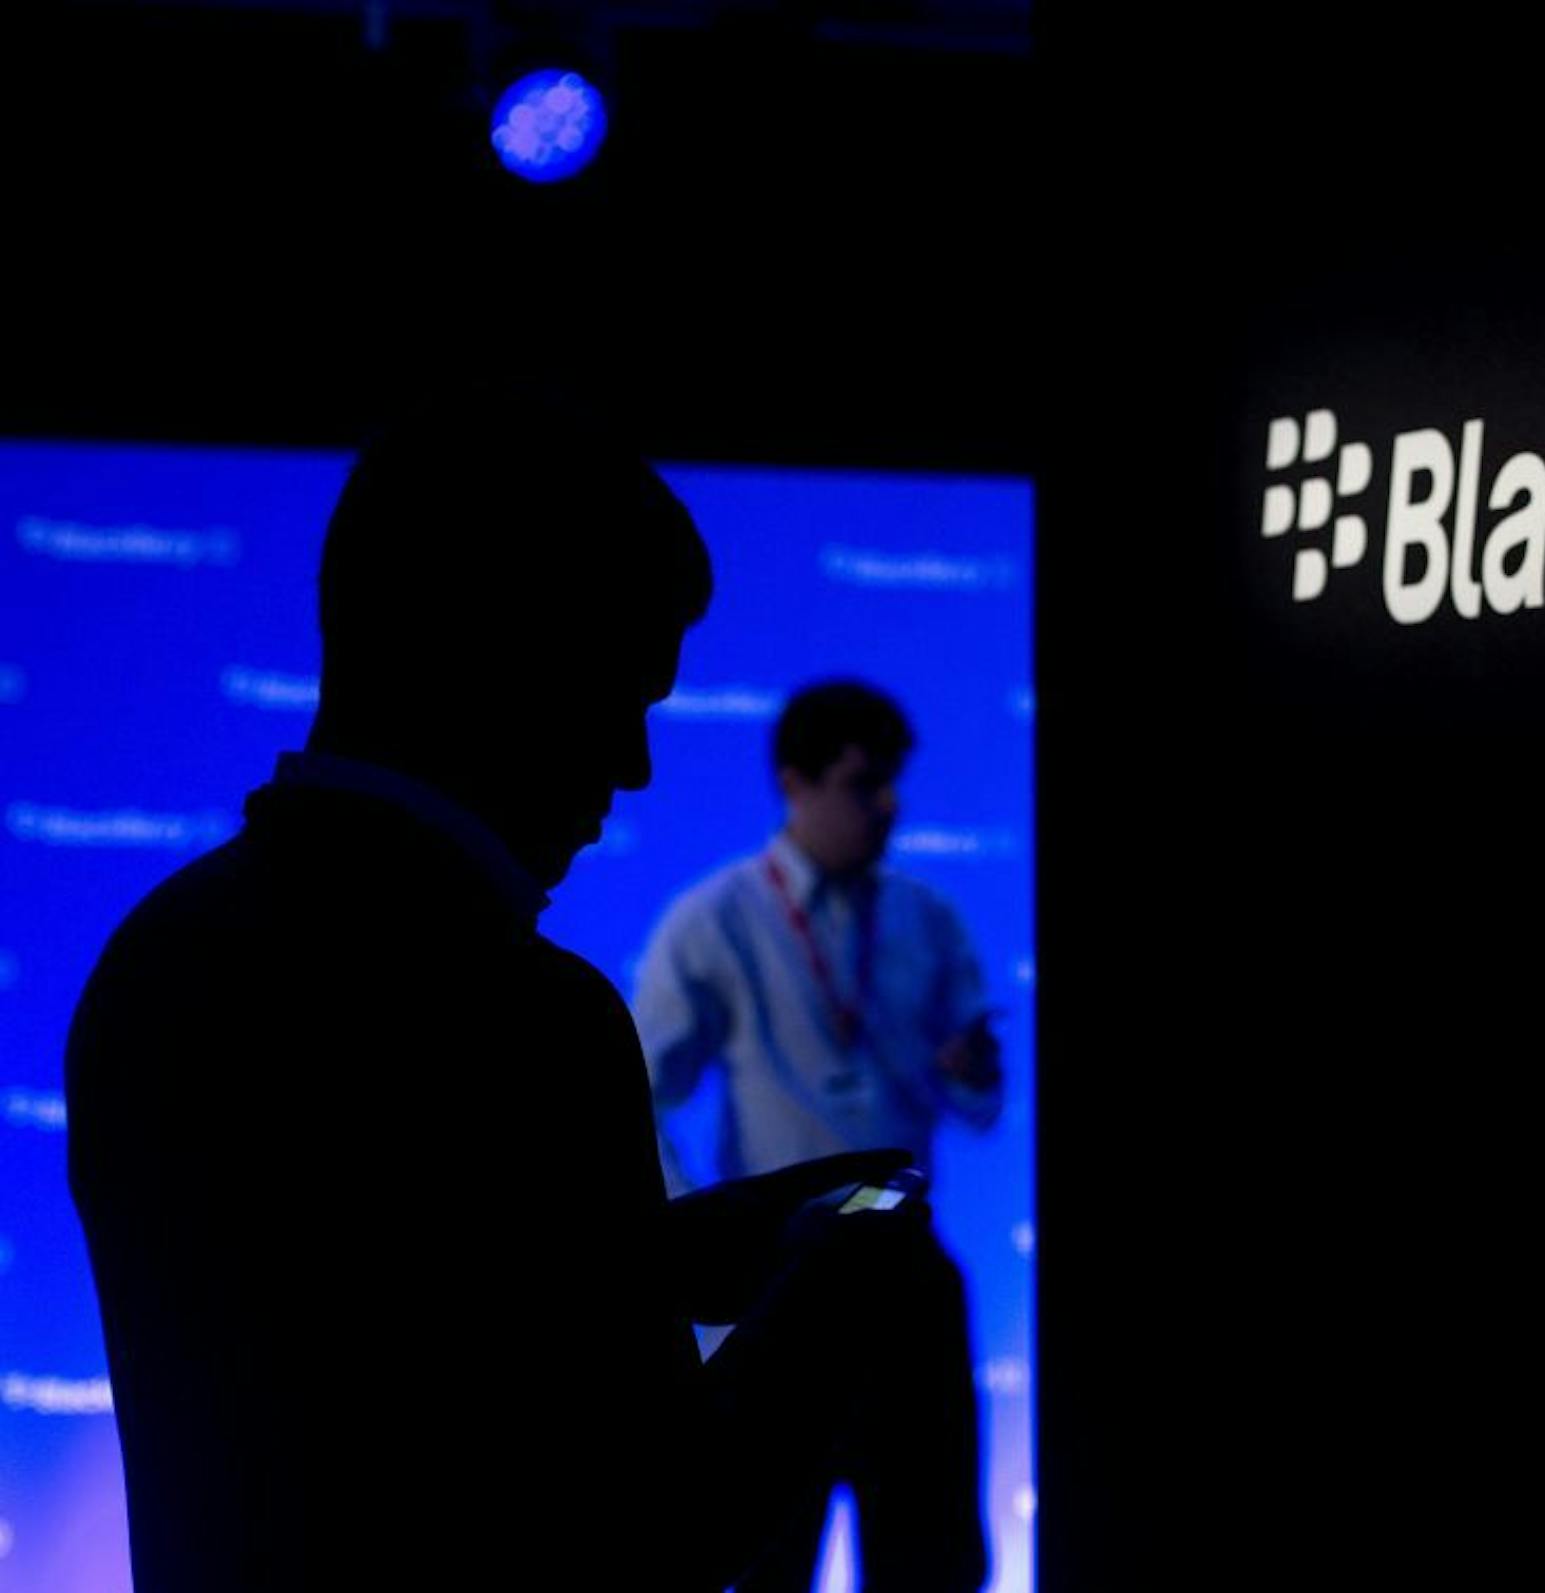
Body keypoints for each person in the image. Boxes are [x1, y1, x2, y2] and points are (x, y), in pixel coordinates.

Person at [64, 388, 949, 1593]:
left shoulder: (158, 957)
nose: (634, 768)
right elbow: (657, 1530)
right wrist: (844, 1286)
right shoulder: (531, 1024)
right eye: (622, 699)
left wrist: (645, 1255)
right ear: (507, 657)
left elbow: (383, 1314)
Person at [633, 681, 1001, 1592]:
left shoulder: (928, 917)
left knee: (933, 1560)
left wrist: (973, 1074)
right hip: (783, 1282)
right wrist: (699, 1231)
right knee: (765, 1557)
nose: (889, 806)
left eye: (894, 785)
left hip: (910, 1273)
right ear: (795, 782)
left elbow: (984, 1107)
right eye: (865, 783)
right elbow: (642, 1084)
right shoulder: (714, 919)